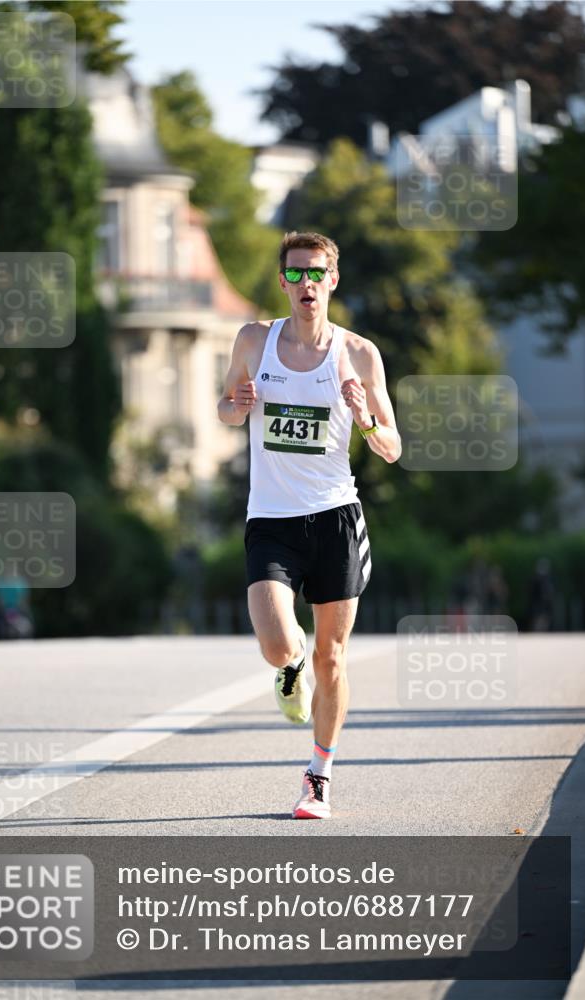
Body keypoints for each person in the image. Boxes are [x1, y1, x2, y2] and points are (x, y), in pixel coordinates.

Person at [217, 231, 401, 819]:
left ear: (333, 280)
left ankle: (318, 775)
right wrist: (236, 407)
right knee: (277, 643)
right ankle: (287, 668)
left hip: (335, 518)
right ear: (282, 282)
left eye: (316, 274)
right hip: (271, 517)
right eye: (295, 275)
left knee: (334, 656)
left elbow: (392, 447)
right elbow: (224, 406)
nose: (306, 285)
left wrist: (365, 415)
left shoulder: (359, 354)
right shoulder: (253, 340)